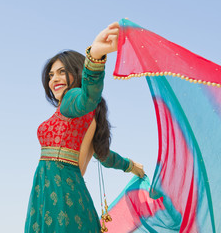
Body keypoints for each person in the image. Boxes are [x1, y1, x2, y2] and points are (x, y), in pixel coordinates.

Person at [25, 22, 145, 233]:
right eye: (51, 75)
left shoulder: (73, 100)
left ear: (77, 73)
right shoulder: (76, 111)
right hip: (54, 192)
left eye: (62, 72)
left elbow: (89, 97)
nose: (54, 80)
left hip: (62, 194)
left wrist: (95, 57)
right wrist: (131, 165)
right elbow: (105, 156)